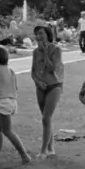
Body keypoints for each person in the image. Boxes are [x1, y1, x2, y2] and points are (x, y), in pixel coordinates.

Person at [0, 46, 32, 165]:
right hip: (12, 102)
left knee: (7, 131)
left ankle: (25, 156)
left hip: (1, 102)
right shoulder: (10, 70)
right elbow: (16, 87)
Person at [31, 24, 65, 160]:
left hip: (54, 86)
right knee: (46, 119)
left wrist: (45, 52)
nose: (38, 36)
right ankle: (51, 148)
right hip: (40, 87)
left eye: (41, 33)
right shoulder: (35, 52)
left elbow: (52, 68)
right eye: (37, 34)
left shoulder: (56, 49)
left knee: (46, 118)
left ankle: (43, 151)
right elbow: (32, 71)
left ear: (47, 34)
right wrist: (37, 82)